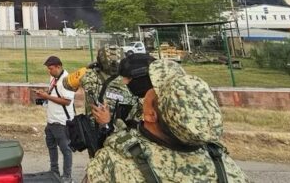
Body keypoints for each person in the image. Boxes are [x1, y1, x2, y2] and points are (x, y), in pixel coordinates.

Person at [85, 58, 250, 183]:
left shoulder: (114, 164)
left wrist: (107, 126)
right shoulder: (229, 169)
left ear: (150, 114)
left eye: (153, 91)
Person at [35, 55, 76, 182]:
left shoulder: (67, 80)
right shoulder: (54, 77)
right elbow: (53, 93)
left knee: (65, 149)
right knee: (51, 146)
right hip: (51, 120)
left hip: (62, 121)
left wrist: (46, 97)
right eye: (48, 68)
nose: (49, 71)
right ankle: (54, 171)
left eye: (51, 68)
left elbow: (67, 101)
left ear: (59, 67)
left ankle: (67, 176)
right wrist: (44, 94)